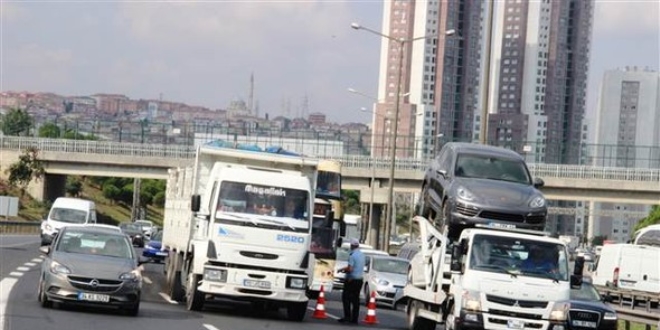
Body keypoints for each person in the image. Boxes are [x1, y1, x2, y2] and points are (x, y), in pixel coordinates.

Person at [338, 238, 365, 324]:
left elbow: (350, 269)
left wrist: (342, 270)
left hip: (351, 280)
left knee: (346, 298)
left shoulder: (352, 255)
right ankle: (355, 318)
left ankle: (347, 316)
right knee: (356, 299)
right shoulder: (362, 255)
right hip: (359, 280)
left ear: (352, 246)